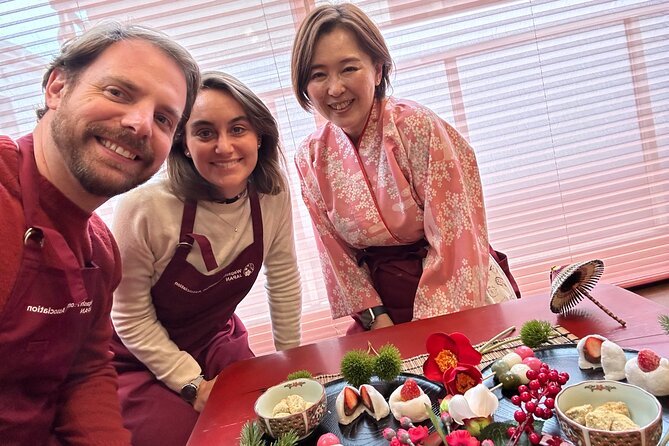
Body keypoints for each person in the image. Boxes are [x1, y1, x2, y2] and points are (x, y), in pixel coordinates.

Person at [0, 21, 200, 445]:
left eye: (164, 118)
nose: (140, 124)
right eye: (117, 92)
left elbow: (83, 372)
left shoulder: (101, 252)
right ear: (56, 88)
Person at [291, 3, 520, 333]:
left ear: (378, 70)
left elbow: (455, 237)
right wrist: (376, 318)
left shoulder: (416, 127)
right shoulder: (311, 157)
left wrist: (424, 330)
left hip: (456, 289)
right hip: (380, 304)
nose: (335, 88)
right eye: (318, 74)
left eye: (348, 68)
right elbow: (337, 257)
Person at [110, 71, 302, 446]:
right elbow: (129, 315)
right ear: (182, 142)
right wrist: (192, 385)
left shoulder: (271, 195)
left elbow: (282, 278)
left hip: (214, 337)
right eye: (205, 133)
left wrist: (291, 362)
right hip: (134, 358)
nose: (224, 147)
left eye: (238, 129)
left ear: (259, 136)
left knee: (267, 420)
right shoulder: (144, 208)